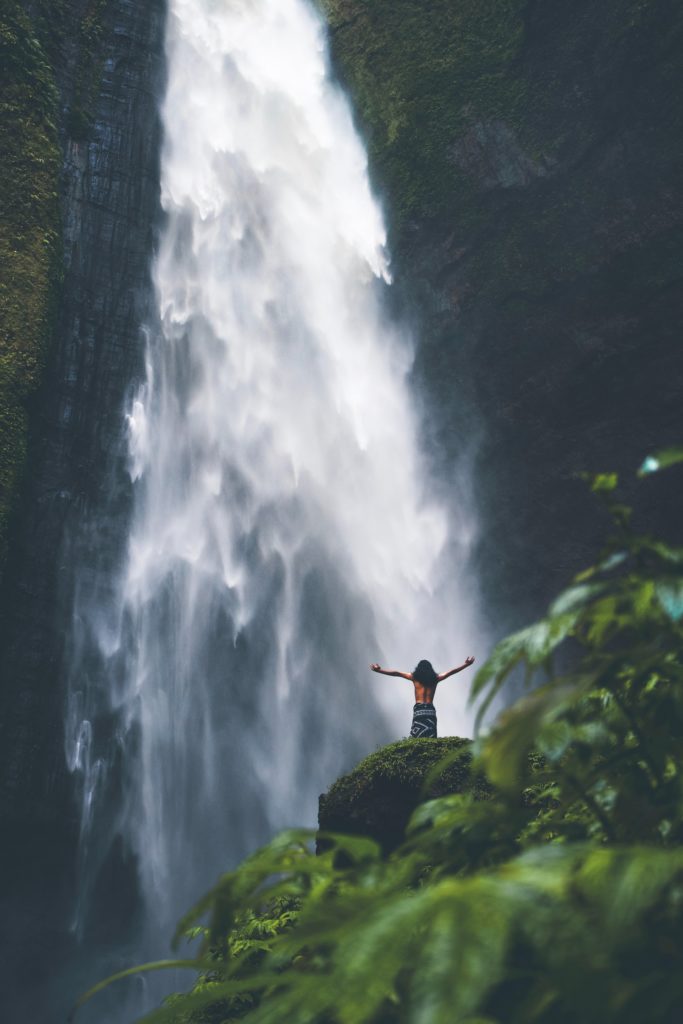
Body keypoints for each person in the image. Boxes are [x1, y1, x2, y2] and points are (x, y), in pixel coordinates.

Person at [370, 656, 475, 738]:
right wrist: (466, 665)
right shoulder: (436, 678)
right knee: (430, 736)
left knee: (417, 736)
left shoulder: (414, 677)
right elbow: (452, 672)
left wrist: (379, 670)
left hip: (419, 709)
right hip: (430, 709)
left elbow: (396, 673)